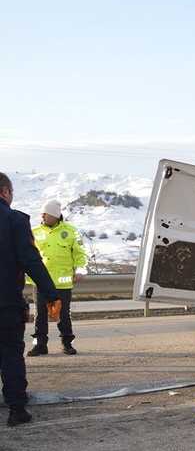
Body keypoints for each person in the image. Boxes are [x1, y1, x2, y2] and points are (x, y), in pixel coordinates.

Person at [0, 172, 61, 426]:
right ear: (5, 191)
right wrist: (52, 294)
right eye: (11, 193)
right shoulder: (13, 220)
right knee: (11, 354)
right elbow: (31, 261)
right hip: (5, 303)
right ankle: (17, 410)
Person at [26, 200, 87, 357]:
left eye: (45, 213)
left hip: (63, 283)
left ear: (54, 215)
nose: (42, 216)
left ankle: (67, 344)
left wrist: (80, 270)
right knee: (40, 315)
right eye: (42, 214)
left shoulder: (71, 231)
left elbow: (80, 253)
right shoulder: (35, 232)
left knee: (63, 315)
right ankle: (39, 345)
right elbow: (27, 254)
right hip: (40, 282)